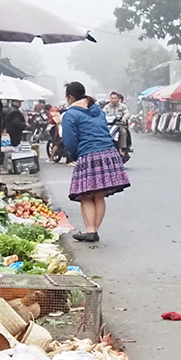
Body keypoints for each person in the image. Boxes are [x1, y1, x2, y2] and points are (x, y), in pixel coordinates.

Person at [62, 81, 130, 242]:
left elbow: (70, 141)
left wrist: (73, 154)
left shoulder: (71, 114)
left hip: (88, 154)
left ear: (70, 97)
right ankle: (94, 230)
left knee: (86, 196)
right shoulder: (97, 110)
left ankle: (90, 230)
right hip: (108, 152)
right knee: (99, 195)